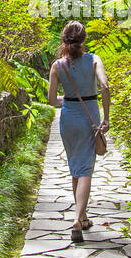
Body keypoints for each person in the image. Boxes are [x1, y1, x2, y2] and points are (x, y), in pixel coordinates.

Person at [47, 20, 111, 243]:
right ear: (84, 39)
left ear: (64, 39)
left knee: (75, 165)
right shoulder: (94, 60)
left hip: (68, 118)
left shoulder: (58, 65)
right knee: (85, 168)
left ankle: (83, 216)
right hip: (89, 117)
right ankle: (77, 220)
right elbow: (105, 86)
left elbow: (51, 100)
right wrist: (107, 117)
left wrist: (70, 98)